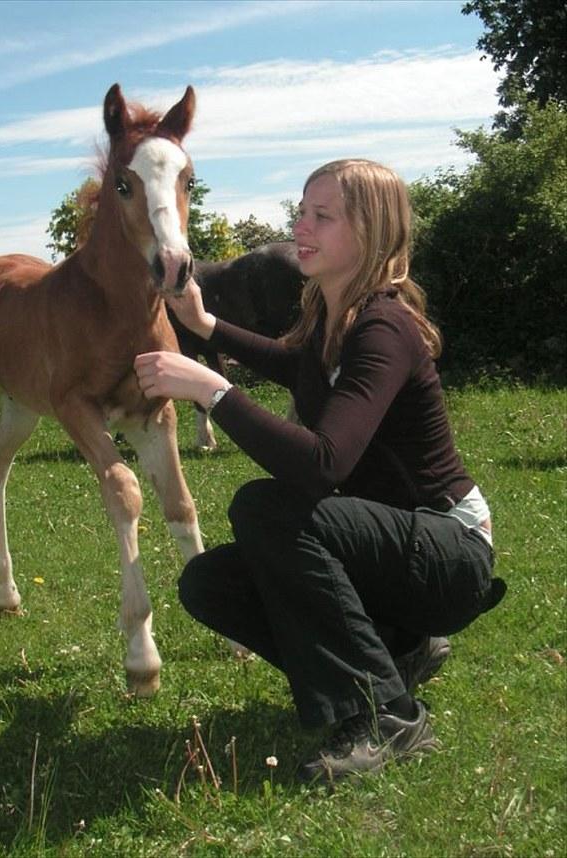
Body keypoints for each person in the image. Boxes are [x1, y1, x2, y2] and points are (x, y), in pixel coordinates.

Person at [134, 159, 505, 786]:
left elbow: (322, 466)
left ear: (371, 232)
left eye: (322, 216)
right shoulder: (336, 317)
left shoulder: (384, 326)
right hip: (394, 550)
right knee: (210, 583)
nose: (301, 226)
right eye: (302, 211)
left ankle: (387, 714)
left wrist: (213, 390)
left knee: (266, 507)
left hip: (450, 548)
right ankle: (393, 653)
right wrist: (205, 327)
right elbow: (294, 366)